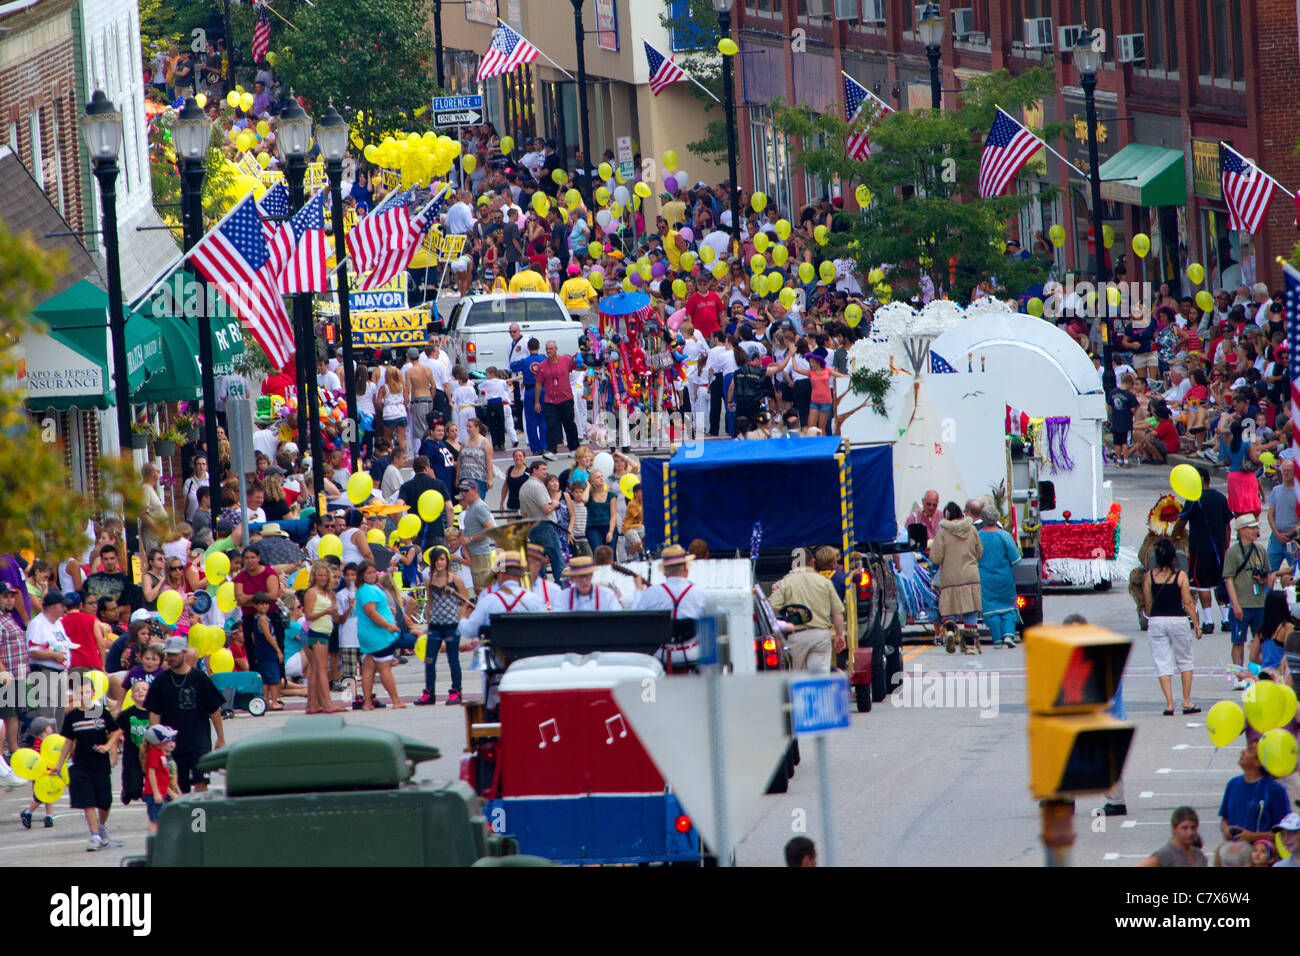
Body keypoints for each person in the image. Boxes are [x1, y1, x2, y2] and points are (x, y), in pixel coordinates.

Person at [144, 634, 225, 794]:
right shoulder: (161, 681)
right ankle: (184, 818)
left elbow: (214, 710)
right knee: (179, 787)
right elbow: (154, 713)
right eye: (169, 654)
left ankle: (199, 819)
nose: (172, 658)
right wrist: (155, 742)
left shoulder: (199, 678)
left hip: (198, 741)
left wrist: (221, 738)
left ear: (184, 653)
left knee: (201, 783)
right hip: (172, 743)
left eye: (175, 654)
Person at [52, 679, 122, 851]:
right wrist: (59, 765)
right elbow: (68, 742)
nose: (83, 696)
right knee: (88, 800)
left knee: (105, 801)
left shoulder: (101, 712)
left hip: (100, 763)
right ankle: (95, 835)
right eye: (79, 692)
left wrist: (107, 746)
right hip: (81, 764)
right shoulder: (72, 716)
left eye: (86, 692)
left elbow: (116, 730)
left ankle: (101, 826)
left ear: (93, 692)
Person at [1142, 538, 1201, 715]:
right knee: (1185, 660)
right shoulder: (1180, 576)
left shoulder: (1149, 576)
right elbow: (1188, 603)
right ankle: (1187, 701)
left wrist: (1155, 616)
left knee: (1162, 663)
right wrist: (1196, 625)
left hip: (1157, 620)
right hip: (1178, 620)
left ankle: (1169, 704)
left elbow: (1147, 603)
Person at [1174, 466, 1232, 635]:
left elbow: (1181, 523)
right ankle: (1225, 619)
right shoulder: (1221, 498)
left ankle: (1208, 622)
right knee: (1219, 582)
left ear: (1198, 479)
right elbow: (1227, 525)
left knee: (1203, 586)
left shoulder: (1193, 499)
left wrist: (1174, 538)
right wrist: (1225, 545)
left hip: (1199, 549)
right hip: (1219, 550)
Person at [767, 551, 846, 673]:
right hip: (820, 635)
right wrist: (839, 635)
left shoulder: (784, 583)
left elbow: (772, 608)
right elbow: (837, 612)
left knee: (798, 677)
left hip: (796, 636)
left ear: (794, 564)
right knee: (820, 677)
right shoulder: (825, 582)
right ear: (812, 562)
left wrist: (781, 626)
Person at [930, 502, 984, 648]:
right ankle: (970, 645)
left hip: (950, 577)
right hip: (970, 576)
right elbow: (979, 552)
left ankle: (950, 633)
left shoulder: (942, 532)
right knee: (970, 611)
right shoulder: (972, 529)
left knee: (949, 609)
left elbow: (935, 557)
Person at [1218, 740, 1291, 843]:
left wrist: (1252, 836)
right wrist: (1226, 829)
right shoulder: (1232, 784)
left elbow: (1283, 832)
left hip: (1259, 853)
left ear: (1258, 762)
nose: (1242, 751)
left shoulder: (1273, 790)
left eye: (1248, 750)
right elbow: (1225, 818)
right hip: (1233, 850)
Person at [1223, 514, 1269, 675]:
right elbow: (1228, 579)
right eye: (1252, 527)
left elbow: (1269, 578)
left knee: (1261, 640)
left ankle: (1256, 673)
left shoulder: (1260, 550)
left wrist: (1263, 579)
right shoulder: (1232, 552)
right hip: (1241, 604)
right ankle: (1237, 674)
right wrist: (1235, 604)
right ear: (1242, 531)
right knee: (1238, 641)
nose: (1256, 530)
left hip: (1259, 604)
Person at [354, 560, 405, 710]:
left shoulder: (363, 590)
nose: (371, 575)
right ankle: (395, 700)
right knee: (384, 668)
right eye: (368, 573)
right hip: (377, 635)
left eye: (373, 571)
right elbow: (371, 612)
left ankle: (367, 702)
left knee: (369, 667)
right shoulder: (369, 590)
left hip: (367, 634)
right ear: (362, 575)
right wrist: (388, 625)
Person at [976, 505, 1021, 648]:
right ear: (997, 518)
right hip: (1004, 578)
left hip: (985, 579)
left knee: (990, 609)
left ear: (982, 519)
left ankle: (997, 640)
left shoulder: (978, 537)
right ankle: (1008, 634)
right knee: (1008, 606)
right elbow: (1016, 559)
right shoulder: (1004, 536)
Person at [535, 340, 580, 453]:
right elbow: (538, 384)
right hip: (550, 401)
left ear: (556, 349)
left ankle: (574, 448)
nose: (549, 351)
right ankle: (551, 450)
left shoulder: (566, 360)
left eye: (551, 349)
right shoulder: (542, 366)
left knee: (569, 424)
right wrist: (537, 402)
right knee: (551, 426)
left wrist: (591, 363)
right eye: (547, 349)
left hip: (566, 399)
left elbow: (577, 367)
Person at [140, 724, 180, 837]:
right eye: (166, 739)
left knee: (161, 819)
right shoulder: (153, 753)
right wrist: (156, 792)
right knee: (155, 821)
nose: (169, 741)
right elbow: (151, 774)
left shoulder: (161, 752)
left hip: (162, 792)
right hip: (154, 793)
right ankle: (153, 843)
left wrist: (172, 792)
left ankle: (160, 840)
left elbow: (164, 775)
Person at [458, 480, 497, 592]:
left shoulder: (479, 506)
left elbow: (490, 528)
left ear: (475, 490)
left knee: (482, 589)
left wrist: (470, 539)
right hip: (474, 553)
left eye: (466, 490)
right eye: (462, 490)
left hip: (480, 553)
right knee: (478, 588)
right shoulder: (471, 506)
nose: (463, 493)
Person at [1137, 807, 1208, 867]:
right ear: (1174, 829)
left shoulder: (1199, 856)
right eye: (1184, 828)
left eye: (1193, 827)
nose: (1190, 833)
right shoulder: (1166, 854)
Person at [1266, 459, 1298, 571]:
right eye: (1284, 470)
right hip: (1276, 538)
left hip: (1293, 538)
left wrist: (1289, 534)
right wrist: (1277, 533)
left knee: (1294, 570)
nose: (1286, 473)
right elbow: (1270, 515)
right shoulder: (1276, 490)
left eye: (1289, 471)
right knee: (1268, 570)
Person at [1109, 373, 1139, 467]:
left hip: (1115, 420)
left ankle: (1118, 460)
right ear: (1129, 383)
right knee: (1125, 442)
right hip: (1126, 421)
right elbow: (1133, 409)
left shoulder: (1113, 392)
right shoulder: (1129, 395)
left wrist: (1112, 416)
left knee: (1117, 442)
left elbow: (1109, 406)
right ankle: (1126, 461)